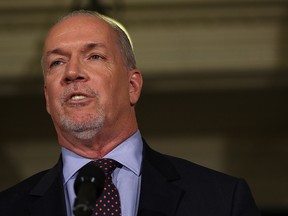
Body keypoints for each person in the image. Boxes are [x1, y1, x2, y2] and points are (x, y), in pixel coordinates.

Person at [0, 10, 261, 216]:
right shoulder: (8, 208)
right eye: (57, 62)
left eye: (94, 57)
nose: (72, 72)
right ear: (47, 97)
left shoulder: (221, 200)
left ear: (132, 86)